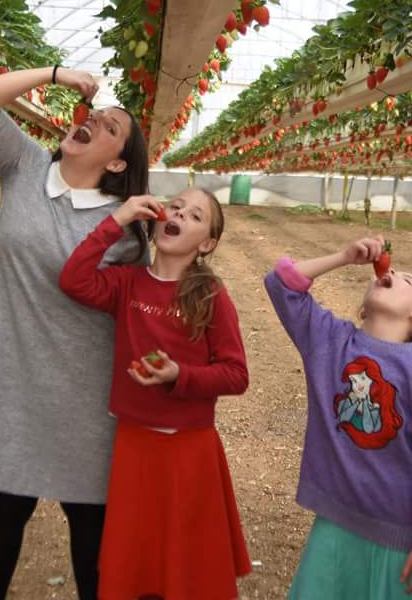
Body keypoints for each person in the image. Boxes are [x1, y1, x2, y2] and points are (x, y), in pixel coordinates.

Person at [0, 67, 150, 599]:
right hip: (15, 386)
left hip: (87, 402)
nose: (94, 120)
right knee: (1, 519)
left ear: (117, 163)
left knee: (92, 537)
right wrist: (56, 75)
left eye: (111, 127)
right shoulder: (25, 167)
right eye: (96, 114)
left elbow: (138, 312)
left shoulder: (125, 228)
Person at [59, 187, 251, 600]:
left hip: (188, 451)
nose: (179, 214)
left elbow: (236, 375)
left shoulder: (210, 296)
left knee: (185, 567)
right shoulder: (127, 283)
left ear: (207, 244)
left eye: (195, 215)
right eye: (175, 206)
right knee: (138, 562)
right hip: (134, 445)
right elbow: (73, 279)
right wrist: (118, 220)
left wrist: (180, 375)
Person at [263, 236, 412, 599]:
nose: (390, 272)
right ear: (363, 310)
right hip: (334, 524)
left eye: (406, 280)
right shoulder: (330, 341)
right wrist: (344, 255)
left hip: (396, 535)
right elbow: (281, 282)